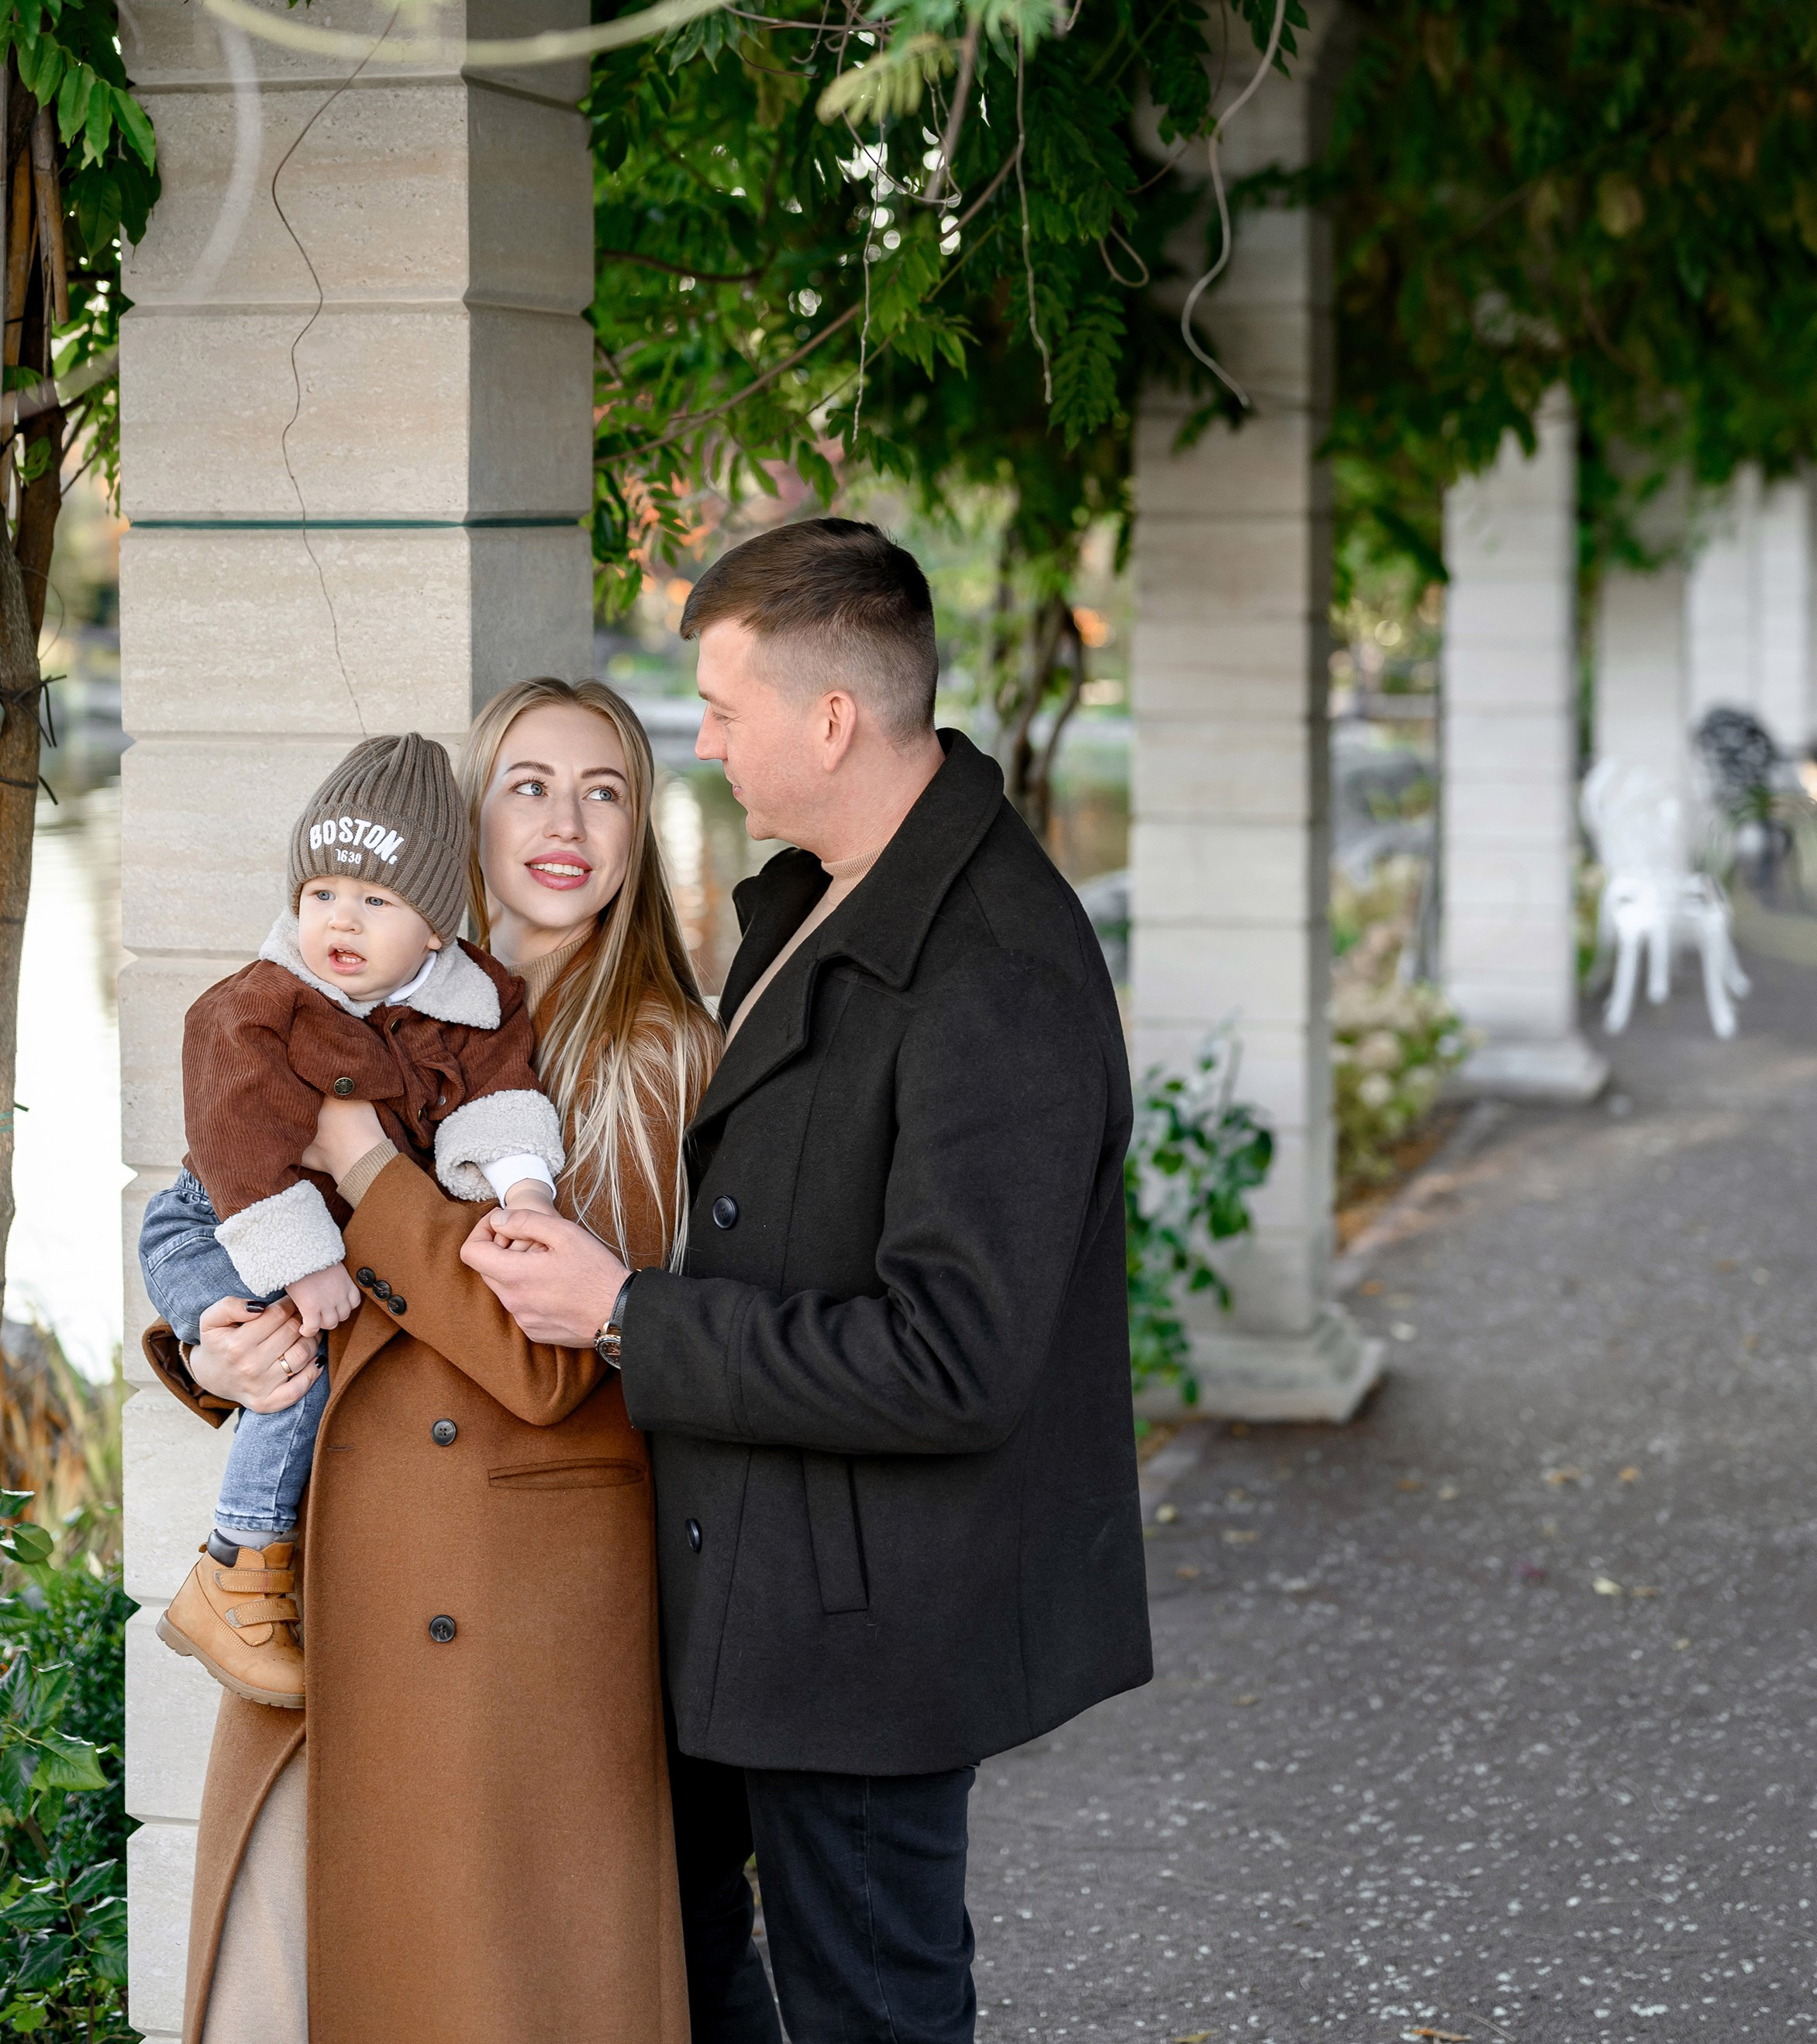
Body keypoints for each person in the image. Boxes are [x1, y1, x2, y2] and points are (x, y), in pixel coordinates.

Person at [465, 518, 1153, 2044]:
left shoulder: (997, 974)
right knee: (705, 1979)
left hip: (864, 1635)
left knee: (871, 2013)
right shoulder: (827, 890)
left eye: (718, 706)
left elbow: (954, 1359)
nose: (696, 742)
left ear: (829, 716)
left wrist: (628, 1315)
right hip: (756, 1597)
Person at [140, 679, 715, 2044]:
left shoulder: (645, 1049)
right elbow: (229, 1202)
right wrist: (223, 1341)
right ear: (464, 822)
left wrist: (366, 1166)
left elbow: (557, 1362)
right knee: (275, 1990)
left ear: (641, 830)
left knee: (473, 1991)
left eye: (605, 789)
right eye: (527, 783)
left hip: (505, 1607)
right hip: (336, 1560)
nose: (564, 822)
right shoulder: (372, 1002)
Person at [143, 732, 564, 1706]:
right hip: (214, 1220)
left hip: (302, 1234)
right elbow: (238, 1141)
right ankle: (240, 1564)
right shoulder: (260, 1002)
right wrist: (298, 1262)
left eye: (376, 901)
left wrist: (522, 1187)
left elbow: (498, 1097)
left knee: (286, 1353)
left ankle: (235, 1568)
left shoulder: (474, 1000)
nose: (341, 919)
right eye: (323, 892)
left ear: (433, 928)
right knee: (295, 1352)